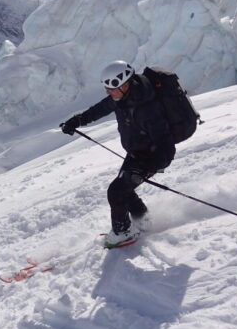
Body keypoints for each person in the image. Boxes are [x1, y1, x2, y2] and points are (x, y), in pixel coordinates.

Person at [60, 60, 175, 246]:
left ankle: (123, 233)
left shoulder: (148, 109)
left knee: (116, 192)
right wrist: (75, 121)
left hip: (150, 157)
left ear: (125, 84)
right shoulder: (122, 97)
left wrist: (146, 169)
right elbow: (99, 109)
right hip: (136, 153)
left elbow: (166, 147)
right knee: (123, 190)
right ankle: (143, 222)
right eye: (106, 86)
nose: (107, 91)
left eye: (111, 87)